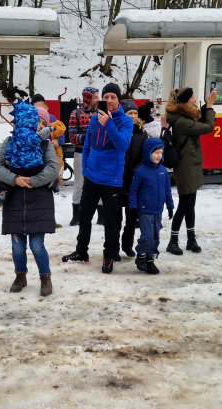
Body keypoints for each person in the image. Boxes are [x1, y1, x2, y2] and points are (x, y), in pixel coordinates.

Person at [61, 83, 133, 274]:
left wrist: (108, 124)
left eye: (113, 97)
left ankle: (109, 255)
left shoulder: (125, 121)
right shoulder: (94, 120)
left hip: (111, 179)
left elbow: (122, 145)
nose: (109, 100)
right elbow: (87, 147)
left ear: (118, 100)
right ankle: (81, 251)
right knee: (84, 216)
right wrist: (85, 168)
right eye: (106, 97)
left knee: (110, 221)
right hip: (92, 177)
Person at [0, 101, 59, 296]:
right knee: (17, 247)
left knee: (37, 246)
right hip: (14, 201)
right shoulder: (9, 143)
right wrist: (15, 179)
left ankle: (45, 277)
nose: (38, 125)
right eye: (34, 121)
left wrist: (32, 180)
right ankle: (20, 275)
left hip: (39, 201)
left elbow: (53, 168)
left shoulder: (44, 144)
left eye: (40, 122)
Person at [165, 87, 217, 255]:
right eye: (193, 97)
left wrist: (205, 108)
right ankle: (172, 241)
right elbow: (208, 127)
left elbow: (200, 121)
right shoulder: (181, 122)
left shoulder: (184, 117)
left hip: (191, 163)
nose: (195, 100)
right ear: (186, 101)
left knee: (190, 204)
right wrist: (209, 106)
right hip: (185, 166)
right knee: (184, 204)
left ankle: (191, 239)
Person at [129, 138, 174, 275]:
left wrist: (170, 206)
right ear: (148, 153)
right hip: (145, 210)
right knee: (147, 237)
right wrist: (133, 207)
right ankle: (141, 255)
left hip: (158, 210)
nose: (159, 155)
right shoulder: (141, 172)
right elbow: (134, 191)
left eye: (161, 152)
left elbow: (167, 190)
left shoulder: (163, 171)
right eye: (156, 152)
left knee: (155, 238)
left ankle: (150, 260)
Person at [67, 86, 98, 226]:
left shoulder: (100, 112)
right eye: (96, 97)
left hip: (98, 153)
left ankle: (101, 216)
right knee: (79, 183)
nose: (98, 99)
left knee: (99, 182)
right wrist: (90, 138)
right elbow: (72, 136)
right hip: (81, 153)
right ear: (88, 98)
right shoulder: (76, 113)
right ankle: (76, 215)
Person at [120, 99, 147, 257]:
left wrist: (136, 171)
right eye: (130, 113)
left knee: (131, 218)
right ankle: (113, 247)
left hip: (134, 181)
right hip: (118, 179)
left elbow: (145, 156)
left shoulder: (141, 133)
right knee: (116, 218)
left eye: (135, 113)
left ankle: (127, 245)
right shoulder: (119, 131)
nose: (133, 116)